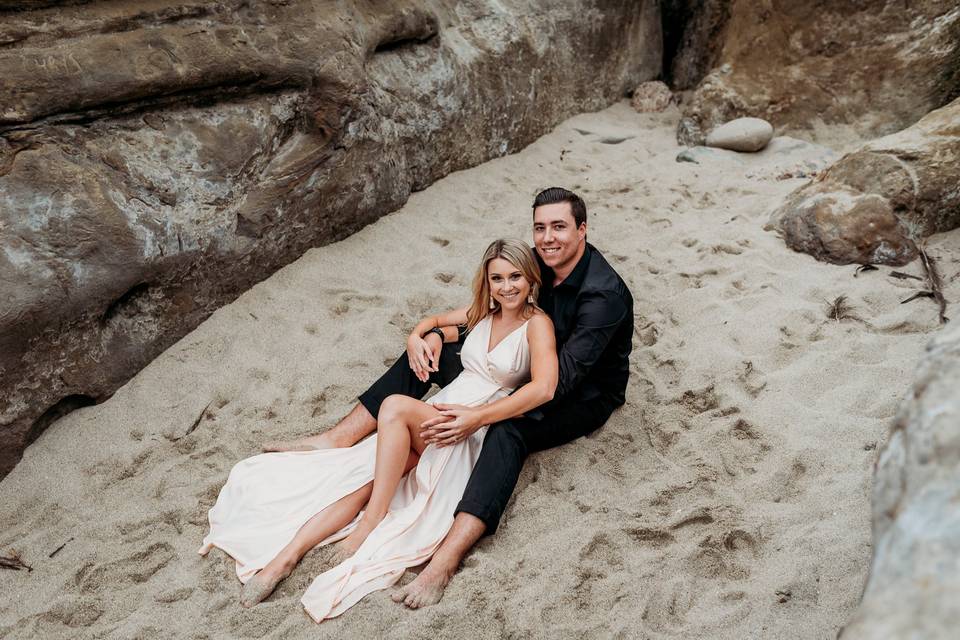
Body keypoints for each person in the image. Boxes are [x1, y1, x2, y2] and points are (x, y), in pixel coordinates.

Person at [266, 186, 634, 608]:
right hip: (517, 365)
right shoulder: (538, 264)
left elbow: (555, 382)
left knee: (510, 430)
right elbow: (486, 311)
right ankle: (339, 436)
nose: (548, 238)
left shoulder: (601, 296)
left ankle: (445, 561)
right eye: (540, 228)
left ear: (582, 230)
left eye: (559, 228)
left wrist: (479, 411)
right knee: (429, 355)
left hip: (583, 392)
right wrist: (427, 335)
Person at [199, 238, 558, 621]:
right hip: (436, 414)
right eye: (498, 278)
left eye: (515, 277)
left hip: (466, 427)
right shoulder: (483, 313)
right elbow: (435, 322)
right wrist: (417, 337)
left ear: (531, 277)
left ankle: (371, 521)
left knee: (393, 407)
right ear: (487, 281)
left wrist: (476, 418)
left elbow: (544, 387)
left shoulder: (537, 325)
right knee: (361, 481)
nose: (507, 287)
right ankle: (284, 560)